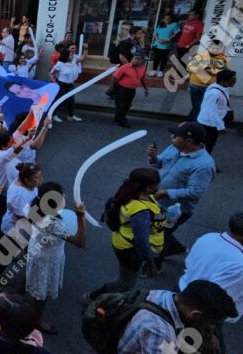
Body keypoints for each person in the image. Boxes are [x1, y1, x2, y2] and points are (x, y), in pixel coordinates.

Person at [87, 168, 165, 301]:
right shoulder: (141, 212)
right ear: (147, 188)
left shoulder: (132, 194)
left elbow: (151, 201)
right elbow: (142, 242)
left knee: (126, 280)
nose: (159, 186)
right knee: (125, 283)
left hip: (123, 240)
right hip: (130, 251)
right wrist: (150, 263)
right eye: (156, 184)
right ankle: (92, 298)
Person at [25, 182, 86, 334]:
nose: (65, 198)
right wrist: (81, 217)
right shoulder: (52, 223)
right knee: (41, 289)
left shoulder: (35, 207)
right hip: (46, 258)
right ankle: (37, 319)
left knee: (35, 280)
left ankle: (25, 294)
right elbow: (81, 242)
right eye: (62, 197)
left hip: (37, 250)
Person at [148, 121, 215, 259]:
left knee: (159, 236)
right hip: (157, 200)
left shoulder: (204, 165)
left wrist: (165, 192)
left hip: (175, 210)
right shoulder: (175, 147)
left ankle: (155, 265)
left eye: (176, 135)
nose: (172, 137)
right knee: (161, 231)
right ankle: (177, 248)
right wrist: (153, 157)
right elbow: (160, 163)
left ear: (188, 141)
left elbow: (195, 192)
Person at [117, 280, 237, 353]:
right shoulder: (159, 332)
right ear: (196, 315)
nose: (212, 328)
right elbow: (161, 340)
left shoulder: (170, 297)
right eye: (211, 323)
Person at [181, 210, 243, 333]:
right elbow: (219, 300)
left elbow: (189, 263)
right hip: (201, 315)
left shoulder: (208, 237)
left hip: (183, 293)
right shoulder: (240, 265)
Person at [186, 39, 230, 121]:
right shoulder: (200, 56)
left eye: (218, 49)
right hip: (196, 85)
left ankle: (197, 122)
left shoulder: (224, 58)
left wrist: (213, 71)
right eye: (213, 48)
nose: (215, 50)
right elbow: (190, 67)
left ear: (221, 49)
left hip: (212, 87)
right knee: (197, 106)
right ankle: (197, 125)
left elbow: (225, 71)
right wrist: (203, 69)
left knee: (208, 106)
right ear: (208, 47)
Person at [197, 69, 236, 154]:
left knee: (209, 146)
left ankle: (206, 164)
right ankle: (204, 165)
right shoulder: (214, 93)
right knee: (206, 147)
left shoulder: (223, 88)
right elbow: (211, 112)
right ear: (223, 81)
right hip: (208, 125)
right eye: (233, 80)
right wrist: (221, 127)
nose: (234, 82)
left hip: (213, 123)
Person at [1, 163, 43, 236]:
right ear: (27, 180)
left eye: (40, 176)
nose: (41, 179)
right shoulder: (20, 195)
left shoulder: (31, 185)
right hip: (12, 231)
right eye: (37, 177)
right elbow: (21, 217)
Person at [112, 53, 149, 128]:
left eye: (138, 59)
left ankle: (118, 117)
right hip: (121, 89)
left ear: (142, 61)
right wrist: (111, 88)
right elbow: (114, 77)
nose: (136, 60)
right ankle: (123, 121)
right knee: (121, 105)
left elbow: (143, 79)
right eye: (135, 58)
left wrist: (146, 89)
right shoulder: (125, 67)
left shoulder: (143, 68)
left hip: (132, 90)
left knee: (127, 105)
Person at [49, 48, 82, 122]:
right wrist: (55, 83)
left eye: (72, 54)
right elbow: (51, 74)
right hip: (62, 85)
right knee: (59, 100)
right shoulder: (60, 64)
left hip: (70, 84)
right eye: (70, 55)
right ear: (66, 56)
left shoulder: (73, 62)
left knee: (71, 100)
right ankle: (53, 115)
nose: (72, 56)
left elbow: (81, 59)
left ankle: (71, 116)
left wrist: (86, 49)